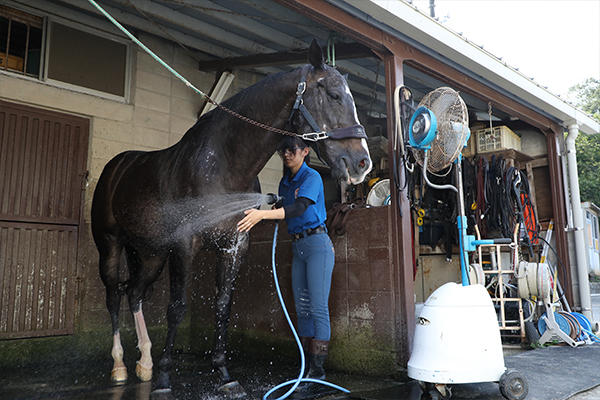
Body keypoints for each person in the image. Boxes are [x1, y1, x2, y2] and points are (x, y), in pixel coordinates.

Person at [237, 136, 335, 398]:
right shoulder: (285, 181)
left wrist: (262, 215)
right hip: (298, 247)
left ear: (305, 151)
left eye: (291, 150)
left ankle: (318, 372)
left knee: (317, 308)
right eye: (283, 150)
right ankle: (304, 368)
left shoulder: (312, 177)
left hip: (317, 245)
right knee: (302, 308)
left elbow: (300, 207)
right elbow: (287, 204)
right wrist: (274, 202)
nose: (286, 154)